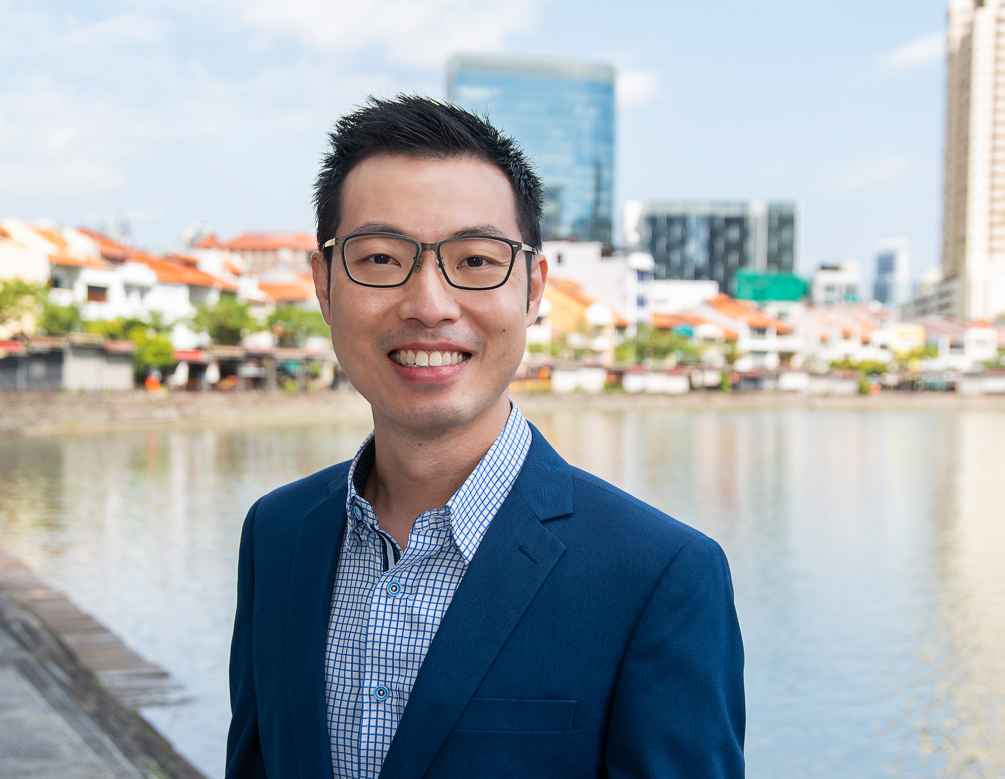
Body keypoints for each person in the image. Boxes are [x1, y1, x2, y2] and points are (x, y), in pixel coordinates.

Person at [225, 96, 744, 779]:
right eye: (380, 258)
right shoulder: (277, 533)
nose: (429, 305)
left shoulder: (658, 574)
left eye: (475, 260)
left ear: (533, 288)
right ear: (323, 285)